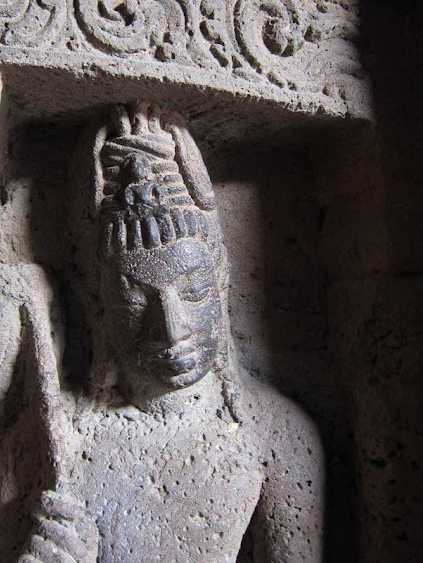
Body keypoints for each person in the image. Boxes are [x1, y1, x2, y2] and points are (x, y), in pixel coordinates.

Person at [20, 103, 325, 563]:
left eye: (194, 292)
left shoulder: (277, 439)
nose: (171, 327)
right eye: (135, 300)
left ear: (221, 283)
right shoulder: (59, 438)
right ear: (96, 304)